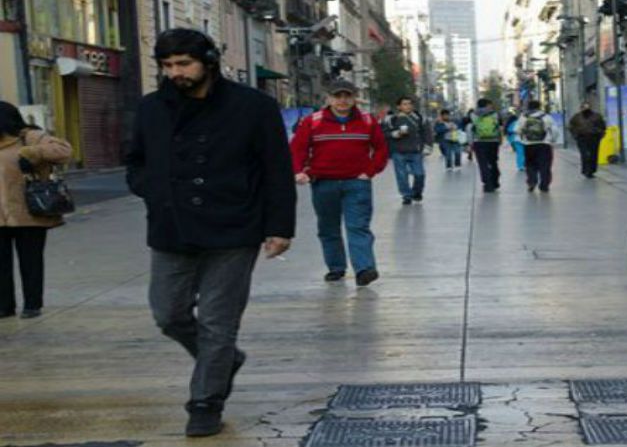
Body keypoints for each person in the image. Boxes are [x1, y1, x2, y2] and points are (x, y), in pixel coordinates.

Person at [125, 28, 297, 437]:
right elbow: (135, 163)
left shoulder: (253, 106)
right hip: (171, 227)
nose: (176, 73)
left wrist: (279, 227)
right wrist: (154, 190)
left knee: (219, 321)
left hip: (233, 226)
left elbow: (276, 169)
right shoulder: (152, 108)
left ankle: (206, 400)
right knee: (168, 314)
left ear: (207, 62)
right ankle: (224, 360)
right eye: (167, 66)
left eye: (184, 64)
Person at [290, 79, 388, 286]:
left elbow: (381, 149)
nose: (342, 100)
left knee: (358, 226)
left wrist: (370, 171)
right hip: (323, 183)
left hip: (357, 183)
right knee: (328, 228)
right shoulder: (313, 121)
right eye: (337, 96)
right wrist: (299, 171)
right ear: (329, 99)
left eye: (347, 96)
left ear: (354, 98)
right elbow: (297, 149)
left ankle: (364, 269)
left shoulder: (367, 121)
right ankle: (336, 267)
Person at [0, 102, 72, 320]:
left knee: (30, 261)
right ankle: (4, 306)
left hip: (29, 213)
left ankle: (32, 304)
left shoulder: (30, 137)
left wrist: (34, 153)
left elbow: (65, 151)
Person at [383, 96, 432, 205]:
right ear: (399, 106)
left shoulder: (420, 118)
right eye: (404, 104)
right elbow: (384, 133)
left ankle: (417, 192)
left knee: (420, 174)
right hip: (398, 152)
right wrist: (396, 134)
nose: (408, 106)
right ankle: (406, 195)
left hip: (416, 151)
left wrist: (428, 147)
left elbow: (427, 132)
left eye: (409, 104)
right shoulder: (392, 119)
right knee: (402, 176)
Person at [516, 100, 559, 193]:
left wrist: (523, 139)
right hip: (544, 144)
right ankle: (544, 185)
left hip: (529, 145)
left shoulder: (523, 117)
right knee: (545, 165)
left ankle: (532, 181)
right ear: (539, 106)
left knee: (530, 165)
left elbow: (518, 130)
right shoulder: (546, 117)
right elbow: (555, 130)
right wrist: (552, 140)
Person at [470, 99, 504, 193]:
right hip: (493, 141)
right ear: (487, 105)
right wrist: (500, 138)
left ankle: (488, 184)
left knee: (483, 163)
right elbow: (500, 127)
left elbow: (470, 129)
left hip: (479, 141)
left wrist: (470, 143)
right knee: (493, 162)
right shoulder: (495, 114)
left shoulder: (473, 114)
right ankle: (495, 181)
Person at [568, 101, 607, 178]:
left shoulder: (597, 116)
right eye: (584, 107)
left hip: (594, 138)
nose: (585, 108)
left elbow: (603, 126)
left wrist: (600, 134)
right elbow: (571, 126)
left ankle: (591, 171)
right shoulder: (576, 117)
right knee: (584, 154)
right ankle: (585, 170)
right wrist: (575, 135)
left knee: (593, 154)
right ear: (581, 108)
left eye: (587, 107)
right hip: (582, 138)